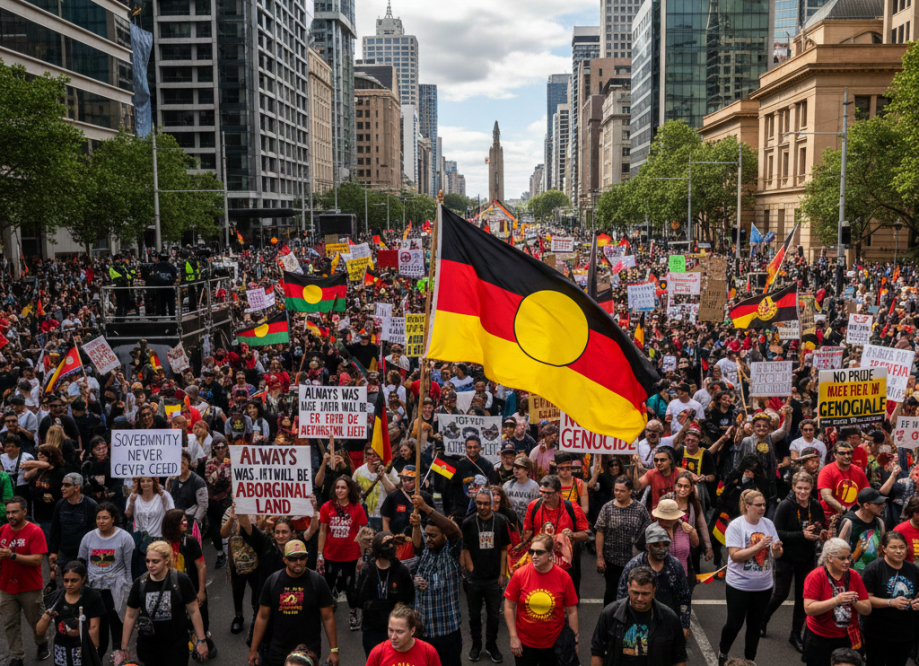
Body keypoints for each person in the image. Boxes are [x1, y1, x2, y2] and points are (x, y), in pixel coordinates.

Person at [761, 471, 826, 653]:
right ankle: (763, 620)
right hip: (786, 557)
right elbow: (776, 532)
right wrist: (801, 535)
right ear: (793, 488)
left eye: (806, 488)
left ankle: (795, 634)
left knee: (803, 597)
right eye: (799, 488)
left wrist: (821, 531)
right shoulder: (786, 506)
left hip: (807, 557)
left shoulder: (815, 505)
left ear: (811, 488)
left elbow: (821, 523)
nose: (803, 492)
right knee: (780, 594)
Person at [718, 488, 783, 665]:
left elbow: (776, 554)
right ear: (747, 506)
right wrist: (759, 546)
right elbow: (735, 555)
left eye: (764, 504)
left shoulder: (768, 523)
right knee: (734, 625)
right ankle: (723, 652)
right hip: (739, 585)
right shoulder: (736, 526)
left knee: (754, 627)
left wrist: (777, 550)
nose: (762, 508)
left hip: (763, 586)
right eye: (758, 505)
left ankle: (749, 661)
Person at [248, 539, 339, 666]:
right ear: (285, 560)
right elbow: (262, 616)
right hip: (279, 651)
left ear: (306, 559)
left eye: (302, 557)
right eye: (293, 558)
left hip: (308, 652)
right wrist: (253, 650)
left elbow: (328, 617)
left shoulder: (317, 582)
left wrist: (334, 650)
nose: (298, 562)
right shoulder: (272, 581)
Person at [120, 540, 208, 666]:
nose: (150, 565)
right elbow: (130, 615)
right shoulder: (140, 584)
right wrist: (124, 648)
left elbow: (193, 611)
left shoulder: (181, 580)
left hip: (176, 647)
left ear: (167, 560)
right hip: (148, 648)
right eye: (147, 561)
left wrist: (201, 640)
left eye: (155, 561)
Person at [503, 533, 579, 666]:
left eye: (539, 552)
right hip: (525, 645)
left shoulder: (564, 577)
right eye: (531, 551)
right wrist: (513, 637)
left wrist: (574, 641)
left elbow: (572, 612)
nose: (534, 556)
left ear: (551, 554)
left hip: (554, 645)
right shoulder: (520, 575)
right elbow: (509, 606)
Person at [590, 566, 687, 666]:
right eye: (635, 592)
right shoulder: (609, 614)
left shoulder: (670, 618)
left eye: (645, 594)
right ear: (628, 588)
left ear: (654, 591)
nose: (640, 598)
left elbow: (679, 657)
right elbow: (597, 652)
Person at [410, 493, 464, 666]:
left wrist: (425, 507)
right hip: (424, 632)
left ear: (444, 536)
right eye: (427, 535)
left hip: (447, 632)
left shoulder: (452, 552)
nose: (429, 540)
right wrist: (416, 580)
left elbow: (455, 531)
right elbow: (416, 546)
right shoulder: (426, 549)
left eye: (433, 536)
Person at [802, 538, 871, 666]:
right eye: (842, 558)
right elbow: (809, 609)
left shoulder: (854, 575)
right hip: (820, 637)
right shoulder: (816, 576)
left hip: (848, 637)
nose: (847, 562)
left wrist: (854, 601)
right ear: (830, 558)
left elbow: (867, 610)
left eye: (848, 558)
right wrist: (837, 600)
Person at [78, 502, 135, 657]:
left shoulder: (125, 538)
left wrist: (130, 589)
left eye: (105, 518)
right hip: (93, 588)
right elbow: (81, 563)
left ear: (113, 519)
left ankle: (118, 651)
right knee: (96, 624)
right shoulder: (88, 538)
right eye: (98, 518)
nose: (101, 521)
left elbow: (130, 565)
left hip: (116, 588)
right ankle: (97, 653)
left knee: (116, 622)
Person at [461, 487, 510, 663]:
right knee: (474, 615)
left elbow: (504, 549)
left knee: (494, 616)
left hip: (493, 578)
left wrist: (502, 573)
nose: (482, 507)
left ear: (492, 503)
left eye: (486, 503)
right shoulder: (468, 522)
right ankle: (475, 645)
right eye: (479, 503)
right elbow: (464, 547)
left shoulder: (501, 521)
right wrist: (469, 568)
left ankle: (491, 645)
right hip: (474, 579)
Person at [0, 496, 49, 666]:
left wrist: (12, 556)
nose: (10, 515)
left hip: (30, 587)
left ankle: (42, 642)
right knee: (9, 623)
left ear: (25, 512)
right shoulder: (2, 530)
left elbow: (37, 560)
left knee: (37, 622)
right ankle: (16, 657)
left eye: (14, 512)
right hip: (6, 587)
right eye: (8, 512)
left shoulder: (35, 531)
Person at [617, 524, 691, 637]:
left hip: (668, 625)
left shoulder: (675, 565)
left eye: (665, 544)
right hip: (638, 626)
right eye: (656, 544)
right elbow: (622, 597)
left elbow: (684, 596)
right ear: (648, 546)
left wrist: (685, 625)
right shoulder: (634, 565)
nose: (662, 548)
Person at [521, 475, 589, 596]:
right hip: (541, 560)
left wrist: (572, 536)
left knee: (565, 596)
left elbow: (586, 534)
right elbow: (527, 532)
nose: (545, 496)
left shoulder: (572, 507)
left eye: (549, 493)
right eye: (542, 492)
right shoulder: (534, 506)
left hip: (565, 563)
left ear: (559, 492)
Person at [161, 508, 216, 657]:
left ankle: (204, 644)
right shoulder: (161, 544)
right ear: (172, 524)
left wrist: (201, 591)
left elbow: (201, 566)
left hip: (192, 589)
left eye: (185, 520)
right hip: (172, 593)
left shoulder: (190, 541)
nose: (185, 523)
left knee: (200, 620)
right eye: (181, 521)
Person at [350, 531, 415, 657]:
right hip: (372, 629)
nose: (391, 547)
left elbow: (409, 597)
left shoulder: (401, 570)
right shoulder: (367, 571)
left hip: (394, 630)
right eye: (387, 544)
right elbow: (359, 599)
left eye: (392, 544)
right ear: (378, 549)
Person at [317, 476, 368, 631]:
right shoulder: (327, 506)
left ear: (349, 490)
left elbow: (363, 533)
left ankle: (353, 613)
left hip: (350, 556)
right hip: (331, 555)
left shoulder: (357, 508)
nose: (339, 490)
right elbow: (323, 531)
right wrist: (319, 555)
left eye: (343, 487)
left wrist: (362, 557)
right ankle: (327, 610)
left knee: (351, 587)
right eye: (337, 487)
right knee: (328, 585)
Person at [862, 531, 919, 666]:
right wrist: (890, 602)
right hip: (878, 632)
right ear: (884, 549)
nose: (898, 551)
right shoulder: (873, 569)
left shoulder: (913, 569)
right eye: (893, 547)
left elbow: (917, 594)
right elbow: (865, 600)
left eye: (902, 547)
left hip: (905, 632)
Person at [595, 475, 651, 606]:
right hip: (611, 559)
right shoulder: (607, 508)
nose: (618, 493)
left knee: (633, 592)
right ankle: (609, 620)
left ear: (630, 491)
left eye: (621, 490)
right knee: (611, 592)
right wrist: (599, 557)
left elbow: (648, 530)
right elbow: (600, 532)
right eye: (616, 490)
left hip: (634, 560)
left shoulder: (640, 509)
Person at [35, 560, 104, 666]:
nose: (69, 584)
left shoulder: (93, 597)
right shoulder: (57, 598)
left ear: (83, 579)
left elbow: (94, 628)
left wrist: (93, 653)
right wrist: (46, 617)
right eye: (66, 580)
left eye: (74, 580)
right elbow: (39, 632)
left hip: (83, 649)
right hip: (62, 651)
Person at [366, 604, 442, 666]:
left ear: (412, 631)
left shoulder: (428, 652)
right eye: (391, 630)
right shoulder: (377, 653)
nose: (393, 637)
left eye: (400, 632)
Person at [49, 472, 97, 570]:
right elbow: (55, 530)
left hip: (85, 554)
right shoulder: (60, 504)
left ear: (77, 487)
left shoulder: (90, 505)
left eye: (67, 485)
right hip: (65, 554)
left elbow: (95, 531)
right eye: (62, 484)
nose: (62, 488)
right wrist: (53, 551)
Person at [817, 442, 869, 528]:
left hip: (854, 516)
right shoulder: (827, 470)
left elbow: (866, 493)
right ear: (835, 454)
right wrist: (844, 510)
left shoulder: (858, 471)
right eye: (842, 453)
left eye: (849, 453)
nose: (847, 456)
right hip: (831, 517)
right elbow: (826, 496)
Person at [838, 487, 887, 573]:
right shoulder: (849, 522)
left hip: (873, 572)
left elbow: (882, 548)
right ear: (866, 505)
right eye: (878, 503)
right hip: (852, 573)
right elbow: (838, 550)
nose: (882, 506)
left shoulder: (879, 522)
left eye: (882, 503)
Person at [204, 441, 232, 569]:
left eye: (223, 447)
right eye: (217, 448)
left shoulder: (232, 461)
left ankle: (230, 554)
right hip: (214, 500)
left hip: (228, 499)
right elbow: (212, 480)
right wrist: (225, 465)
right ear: (214, 449)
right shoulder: (210, 464)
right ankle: (220, 554)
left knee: (229, 527)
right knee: (215, 528)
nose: (220, 450)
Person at [631, 446, 685, 511]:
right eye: (656, 460)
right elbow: (637, 487)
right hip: (658, 516)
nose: (659, 463)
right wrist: (635, 468)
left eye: (662, 460)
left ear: (670, 460)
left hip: (676, 514)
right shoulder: (652, 473)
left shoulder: (679, 473)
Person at [167, 450, 208, 529]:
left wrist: (195, 523)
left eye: (183, 462)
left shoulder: (198, 481)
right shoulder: (171, 480)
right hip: (175, 520)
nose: (180, 465)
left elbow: (203, 505)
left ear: (188, 463)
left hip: (191, 520)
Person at [503, 455, 539, 524]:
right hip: (511, 523)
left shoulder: (534, 486)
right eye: (514, 467)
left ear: (526, 471)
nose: (515, 470)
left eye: (518, 468)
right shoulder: (507, 486)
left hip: (528, 523)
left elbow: (537, 508)